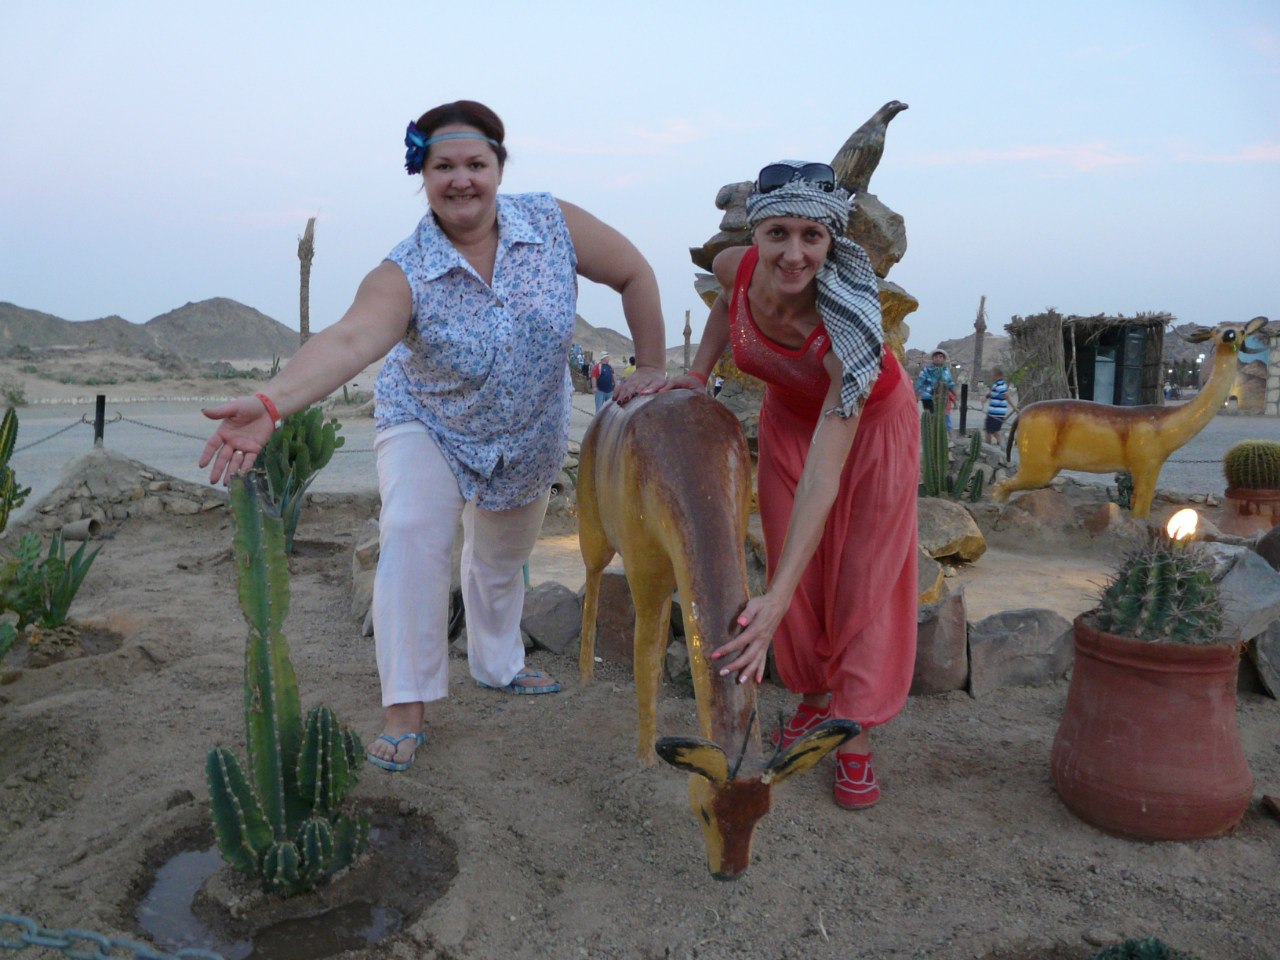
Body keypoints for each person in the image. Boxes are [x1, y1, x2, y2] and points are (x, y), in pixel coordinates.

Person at [199, 99, 667, 773]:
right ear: (423, 175)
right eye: (444, 166)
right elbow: (352, 338)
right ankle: (406, 704)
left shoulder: (552, 223)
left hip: (527, 432)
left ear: (499, 167)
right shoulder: (407, 268)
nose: (461, 179)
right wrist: (273, 403)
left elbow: (634, 273)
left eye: (475, 163)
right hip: (429, 422)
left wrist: (651, 367)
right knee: (413, 536)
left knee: (499, 561)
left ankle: (497, 662)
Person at [663, 160, 918, 809]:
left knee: (860, 576)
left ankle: (852, 732)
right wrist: (697, 374)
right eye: (778, 233)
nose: (794, 254)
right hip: (788, 421)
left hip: (870, 427)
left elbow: (823, 479)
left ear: (832, 241)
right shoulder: (738, 267)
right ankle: (813, 699)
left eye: (812, 236)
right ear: (757, 235)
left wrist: (768, 602)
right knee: (792, 571)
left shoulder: (844, 332)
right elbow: (724, 308)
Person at [915, 349, 957, 431]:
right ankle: (930, 436)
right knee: (931, 418)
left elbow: (950, 383)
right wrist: (916, 394)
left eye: (940, 357)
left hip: (942, 397)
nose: (938, 358)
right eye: (936, 357)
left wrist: (956, 395)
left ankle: (943, 436)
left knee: (943, 418)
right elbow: (920, 382)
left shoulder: (946, 370)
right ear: (933, 358)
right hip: (928, 397)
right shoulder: (926, 370)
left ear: (943, 359)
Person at [982, 368, 1016, 445]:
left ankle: (995, 446)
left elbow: (1007, 396)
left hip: (995, 413)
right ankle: (999, 445)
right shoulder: (997, 384)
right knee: (992, 431)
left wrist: (1014, 407)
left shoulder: (1000, 385)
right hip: (993, 412)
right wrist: (986, 397)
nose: (991, 375)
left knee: (991, 431)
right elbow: (993, 392)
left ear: (996, 374)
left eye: (992, 373)